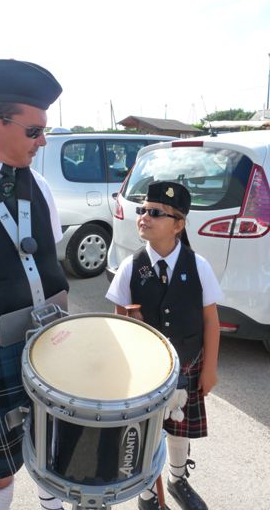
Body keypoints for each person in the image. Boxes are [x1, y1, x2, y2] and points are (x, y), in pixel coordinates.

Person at [0, 59, 69, 510]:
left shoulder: (39, 184)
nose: (43, 140)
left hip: (47, 338)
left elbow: (49, 259)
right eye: (33, 131)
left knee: (51, 448)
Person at [106, 180, 222, 510]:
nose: (144, 216)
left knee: (178, 427)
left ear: (179, 224)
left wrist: (210, 369)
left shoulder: (198, 266)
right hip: (146, 374)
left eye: (156, 212)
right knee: (144, 434)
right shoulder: (130, 267)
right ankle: (147, 493)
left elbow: (211, 321)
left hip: (187, 364)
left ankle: (177, 478)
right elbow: (119, 324)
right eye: (142, 210)